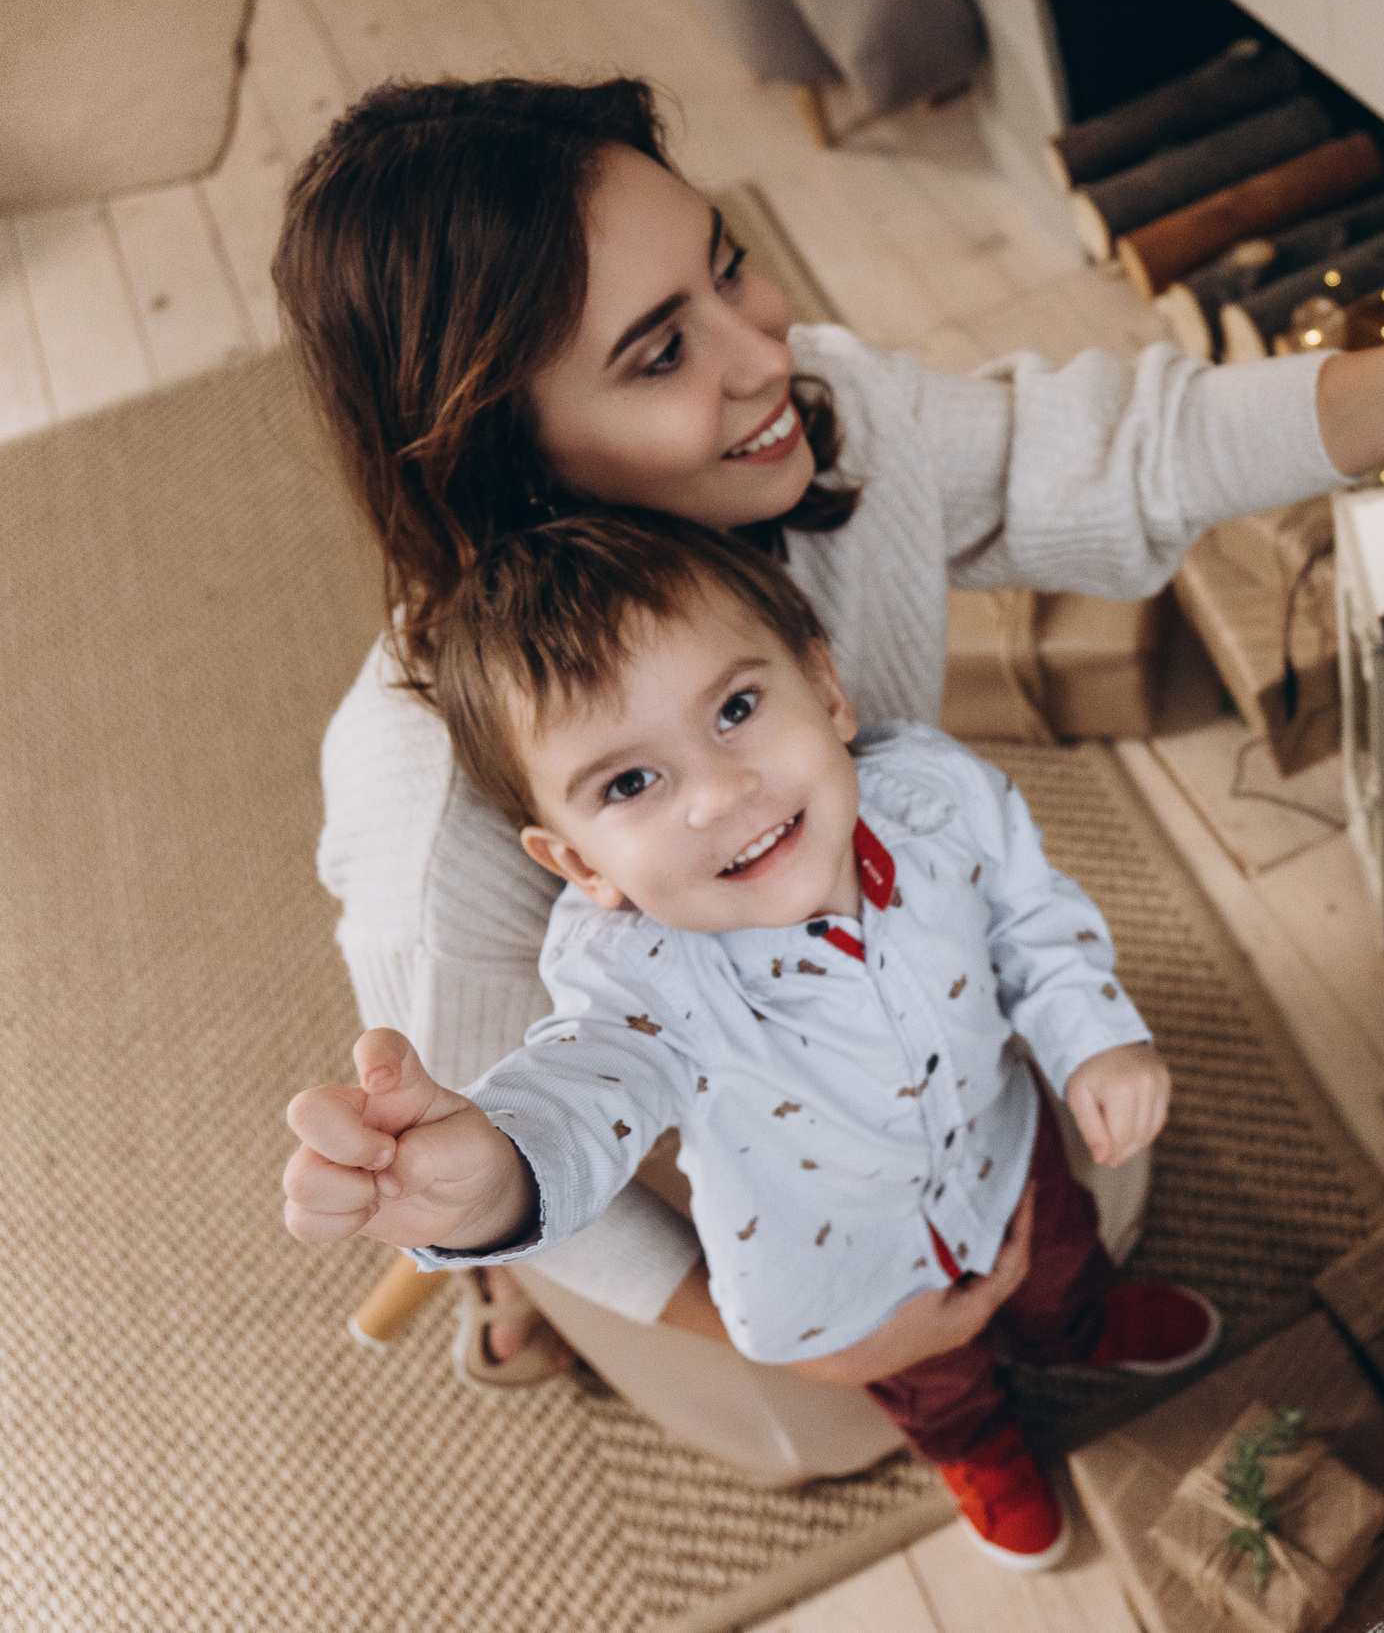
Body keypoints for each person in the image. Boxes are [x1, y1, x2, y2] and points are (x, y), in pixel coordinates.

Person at [280, 77, 1384, 1394]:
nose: (767, 351)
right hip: (724, 1174)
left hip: (926, 1043)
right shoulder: (425, 812)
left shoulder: (819, 419)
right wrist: (797, 1346)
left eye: (728, 264)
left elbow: (1125, 447)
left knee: (1073, 1232)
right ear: (501, 456)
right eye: (660, 353)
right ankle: (516, 1313)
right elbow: (506, 1123)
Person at [283, 509, 1211, 1566]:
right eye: (630, 783)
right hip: (850, 1273)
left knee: (1060, 1262)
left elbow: (1034, 919)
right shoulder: (631, 970)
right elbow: (585, 1088)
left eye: (735, 708)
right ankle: (976, 1443)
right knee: (935, 1384)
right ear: (581, 864)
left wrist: (1095, 1039)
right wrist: (492, 1171)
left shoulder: (936, 796)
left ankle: (1074, 1330)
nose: (723, 792)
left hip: (1004, 1146)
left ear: (824, 689)